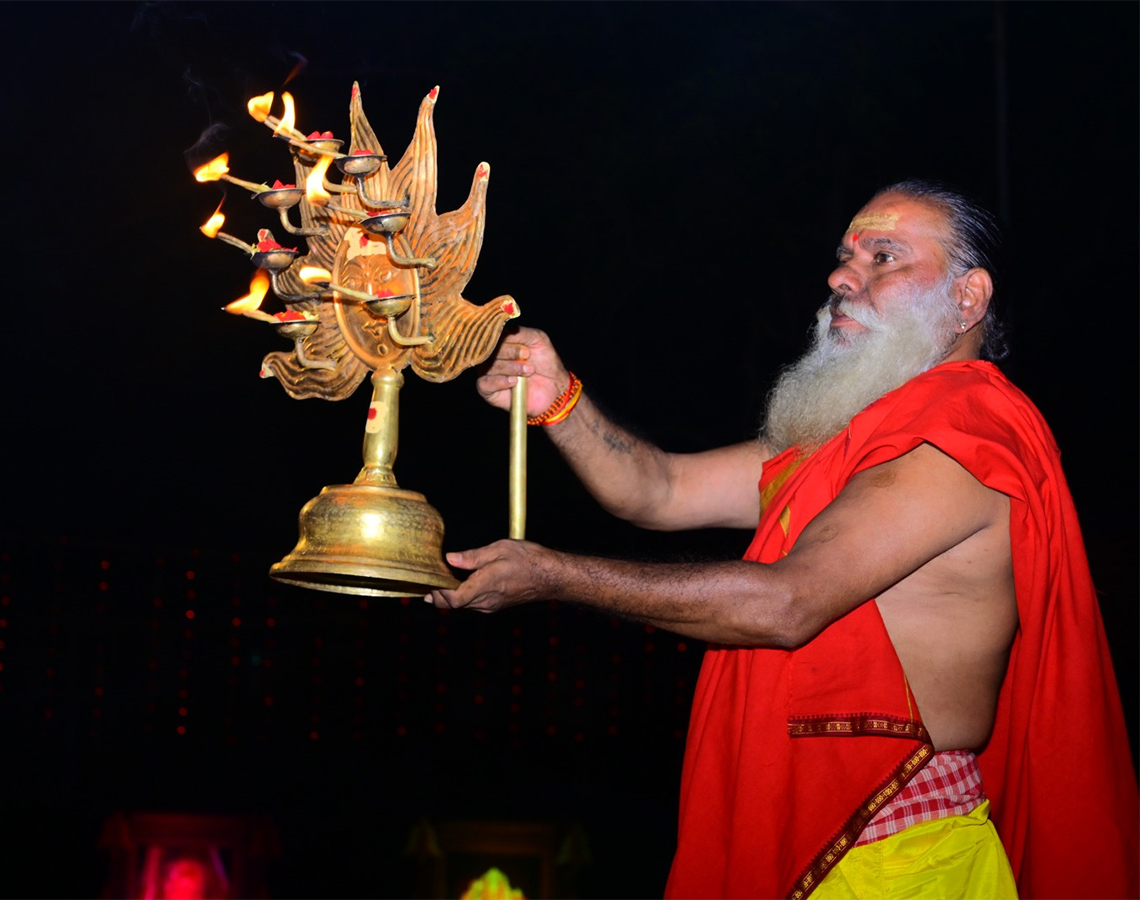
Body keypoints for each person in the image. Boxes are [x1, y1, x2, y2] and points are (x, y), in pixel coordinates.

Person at [424, 181, 1138, 899]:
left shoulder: (961, 434)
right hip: (829, 851)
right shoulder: (849, 438)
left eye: (884, 256)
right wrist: (558, 400)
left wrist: (553, 577)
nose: (840, 277)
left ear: (967, 298)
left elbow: (786, 604)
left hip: (895, 859)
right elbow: (661, 491)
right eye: (845, 257)